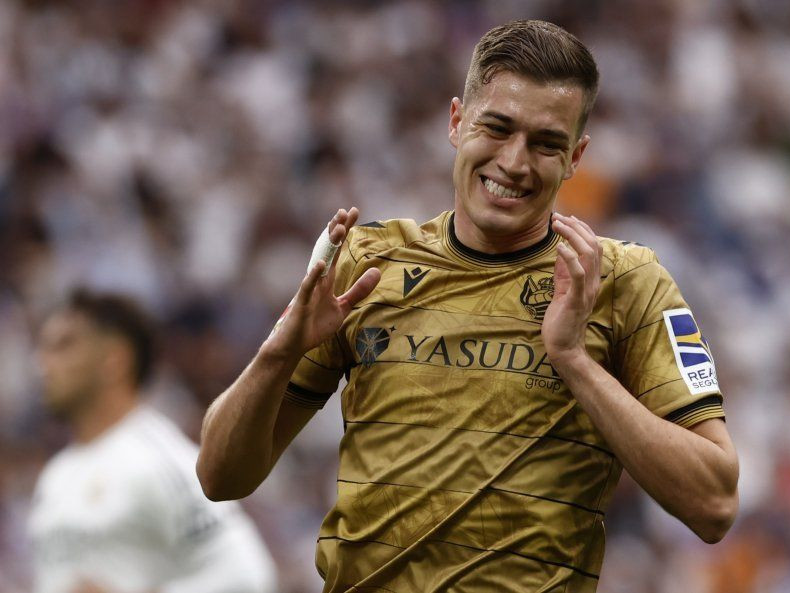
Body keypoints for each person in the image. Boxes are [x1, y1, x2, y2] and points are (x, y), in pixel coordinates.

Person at [197, 19, 739, 592]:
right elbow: (218, 477)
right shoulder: (368, 263)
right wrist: (277, 352)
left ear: (576, 156)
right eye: (497, 128)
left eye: (546, 143)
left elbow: (714, 503)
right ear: (456, 122)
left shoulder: (622, 281)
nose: (515, 162)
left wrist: (574, 361)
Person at [30, 289, 277, 593]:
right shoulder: (55, 475)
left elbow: (248, 576)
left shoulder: (160, 458)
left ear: (115, 359)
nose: (42, 363)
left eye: (64, 345)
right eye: (43, 348)